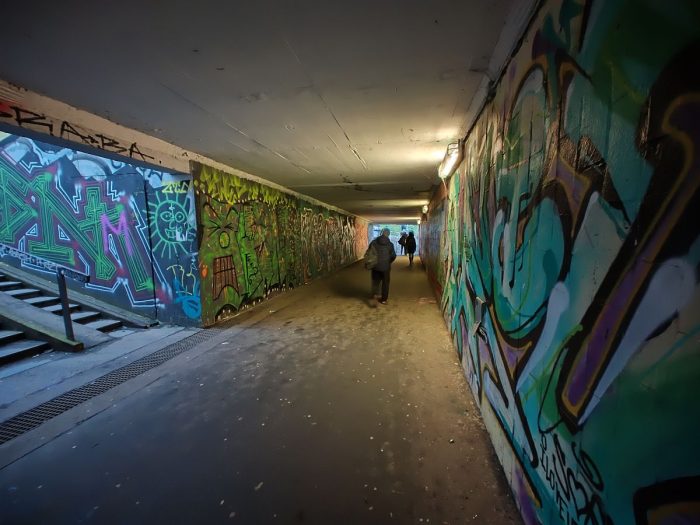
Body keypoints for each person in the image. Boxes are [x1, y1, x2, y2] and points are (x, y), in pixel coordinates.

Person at [369, 228, 396, 305]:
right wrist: (388, 262)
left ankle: (375, 296)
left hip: (375, 266)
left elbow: (369, 252)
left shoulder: (373, 242)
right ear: (388, 234)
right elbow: (393, 256)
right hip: (386, 267)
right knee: (385, 283)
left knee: (376, 282)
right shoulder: (390, 244)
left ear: (381, 233)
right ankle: (384, 300)